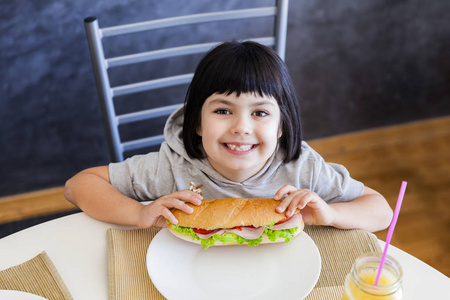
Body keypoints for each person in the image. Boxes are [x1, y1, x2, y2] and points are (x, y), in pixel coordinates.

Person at [64, 41, 393, 232]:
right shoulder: (171, 169)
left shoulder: (302, 170)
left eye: (260, 113)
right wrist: (138, 213)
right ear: (197, 123)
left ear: (281, 127)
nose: (241, 127)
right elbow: (78, 186)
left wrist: (331, 214)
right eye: (223, 111)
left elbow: (381, 210)